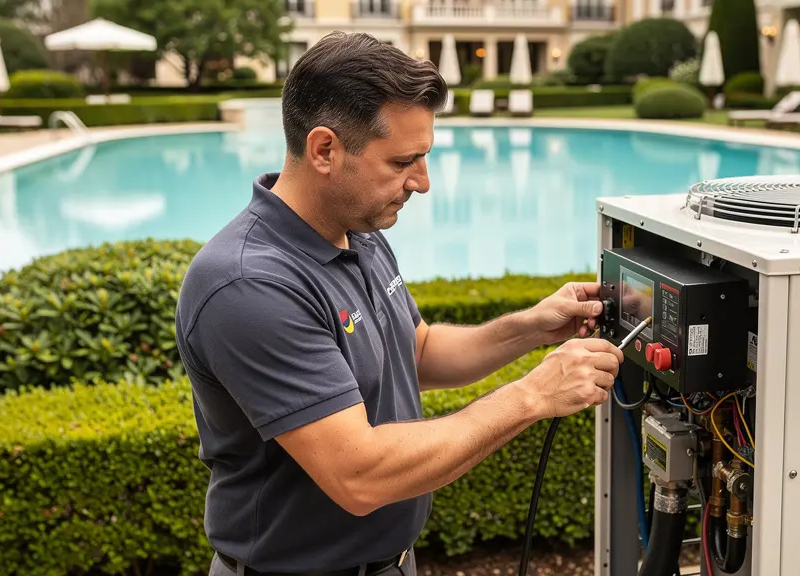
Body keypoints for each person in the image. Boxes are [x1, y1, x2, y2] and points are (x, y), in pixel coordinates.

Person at [175, 31, 623, 576]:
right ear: (324, 150)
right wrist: (532, 395)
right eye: (403, 161)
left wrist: (529, 327)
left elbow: (417, 352)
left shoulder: (356, 229)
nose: (423, 182)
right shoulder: (249, 284)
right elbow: (360, 475)